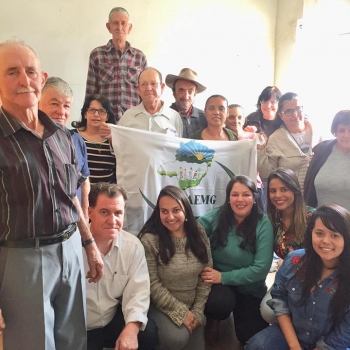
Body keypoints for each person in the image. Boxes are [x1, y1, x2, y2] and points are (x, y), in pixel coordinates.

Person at [0, 39, 103, 350]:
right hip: (22, 258)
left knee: (74, 341)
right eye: (11, 72)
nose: (23, 81)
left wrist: (88, 243)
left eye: (30, 71)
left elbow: (69, 195)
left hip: (70, 248)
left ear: (41, 79)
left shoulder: (62, 137)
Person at [246, 204, 350, 350]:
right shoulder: (294, 261)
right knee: (257, 346)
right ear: (311, 233)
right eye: (319, 233)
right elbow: (279, 299)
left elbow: (345, 332)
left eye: (334, 235)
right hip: (293, 334)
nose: (326, 241)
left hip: (331, 345)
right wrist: (294, 346)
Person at [198, 176, 273, 345]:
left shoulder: (263, 224)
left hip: (250, 288)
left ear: (254, 198)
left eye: (246, 194)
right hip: (220, 285)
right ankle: (213, 320)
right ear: (228, 198)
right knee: (219, 304)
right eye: (234, 194)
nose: (240, 199)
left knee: (250, 339)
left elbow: (261, 269)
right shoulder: (218, 216)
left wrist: (224, 277)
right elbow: (195, 230)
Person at [85, 182, 157, 350]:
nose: (113, 220)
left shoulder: (132, 246)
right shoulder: (71, 246)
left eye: (118, 213)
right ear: (89, 212)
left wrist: (131, 329)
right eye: (104, 212)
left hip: (111, 318)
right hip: (81, 324)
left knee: (148, 333)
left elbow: (138, 292)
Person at [139, 185, 212, 350]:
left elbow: (206, 275)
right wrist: (181, 312)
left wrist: (198, 311)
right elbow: (152, 284)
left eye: (176, 210)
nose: (170, 217)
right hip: (160, 305)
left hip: (192, 306)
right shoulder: (150, 239)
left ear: (185, 210)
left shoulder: (198, 232)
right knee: (176, 338)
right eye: (164, 211)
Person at [260, 168, 315, 323]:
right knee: (268, 311)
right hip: (288, 280)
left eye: (284, 189)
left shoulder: (313, 218)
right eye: (273, 190)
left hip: (315, 280)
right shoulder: (272, 220)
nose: (277, 195)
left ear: (295, 190)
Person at [39, 76, 90, 220]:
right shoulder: (26, 140)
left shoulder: (77, 140)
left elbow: (84, 180)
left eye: (66, 106)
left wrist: (85, 216)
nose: (61, 112)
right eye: (54, 103)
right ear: (38, 103)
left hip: (74, 222)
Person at [85, 7, 147, 120]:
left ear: (130, 27)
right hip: (104, 121)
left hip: (133, 121)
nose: (119, 27)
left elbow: (145, 93)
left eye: (123, 23)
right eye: (115, 23)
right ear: (109, 27)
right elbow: (90, 94)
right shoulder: (97, 55)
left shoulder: (140, 57)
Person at [257, 92, 316, 193]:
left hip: (318, 197)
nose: (295, 114)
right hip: (290, 198)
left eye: (298, 109)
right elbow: (267, 173)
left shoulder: (319, 134)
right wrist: (261, 150)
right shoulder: (275, 139)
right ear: (281, 116)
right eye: (289, 111)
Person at [116, 67, 183, 137]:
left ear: (162, 87)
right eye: (144, 84)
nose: (149, 88)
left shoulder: (174, 117)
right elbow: (119, 143)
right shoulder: (128, 116)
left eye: (153, 84)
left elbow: (178, 146)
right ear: (138, 89)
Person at [304, 110, 350, 211]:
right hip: (322, 223)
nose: (346, 135)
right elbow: (308, 191)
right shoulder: (321, 152)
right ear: (335, 132)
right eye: (341, 130)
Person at [72, 94, 117, 184]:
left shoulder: (114, 138)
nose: (96, 114)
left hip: (107, 194)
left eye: (101, 111)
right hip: (81, 194)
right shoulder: (73, 136)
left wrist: (113, 140)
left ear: (107, 116)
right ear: (85, 114)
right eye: (92, 110)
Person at [165, 68, 207, 138]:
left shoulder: (205, 118)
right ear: (174, 92)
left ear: (195, 94)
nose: (186, 96)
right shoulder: (165, 117)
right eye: (181, 90)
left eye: (190, 91)